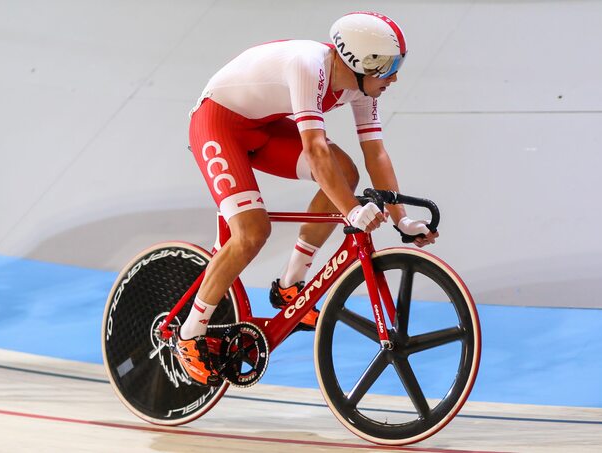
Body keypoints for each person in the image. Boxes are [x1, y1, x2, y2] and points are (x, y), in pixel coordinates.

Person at [172, 11, 438, 385]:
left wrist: (402, 219)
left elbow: (375, 152)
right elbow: (315, 151)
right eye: (389, 67)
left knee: (345, 174)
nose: (395, 77)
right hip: (218, 124)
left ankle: (289, 285)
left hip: (263, 127)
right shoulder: (309, 65)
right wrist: (351, 210)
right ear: (362, 62)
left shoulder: (363, 87)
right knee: (251, 231)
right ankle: (189, 335)